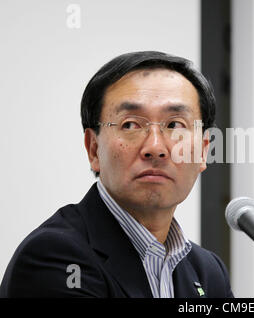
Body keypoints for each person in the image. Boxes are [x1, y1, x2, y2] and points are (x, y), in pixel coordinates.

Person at [0, 51, 233, 298]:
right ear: (93, 149)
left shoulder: (208, 272)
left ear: (204, 151)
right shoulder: (55, 258)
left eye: (175, 125)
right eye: (130, 125)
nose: (155, 147)